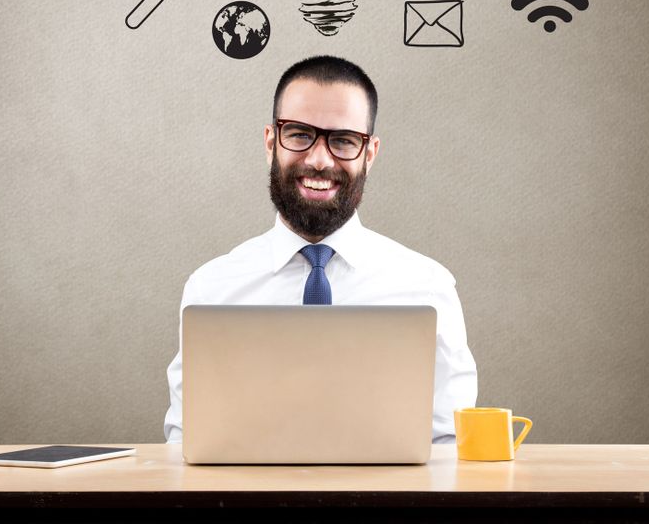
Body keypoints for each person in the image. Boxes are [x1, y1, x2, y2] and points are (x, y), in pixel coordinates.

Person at [164, 55, 477, 443]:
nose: (318, 159)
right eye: (299, 134)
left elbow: (449, 444)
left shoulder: (427, 287)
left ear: (370, 154)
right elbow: (186, 441)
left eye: (343, 140)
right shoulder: (211, 289)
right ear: (270, 142)